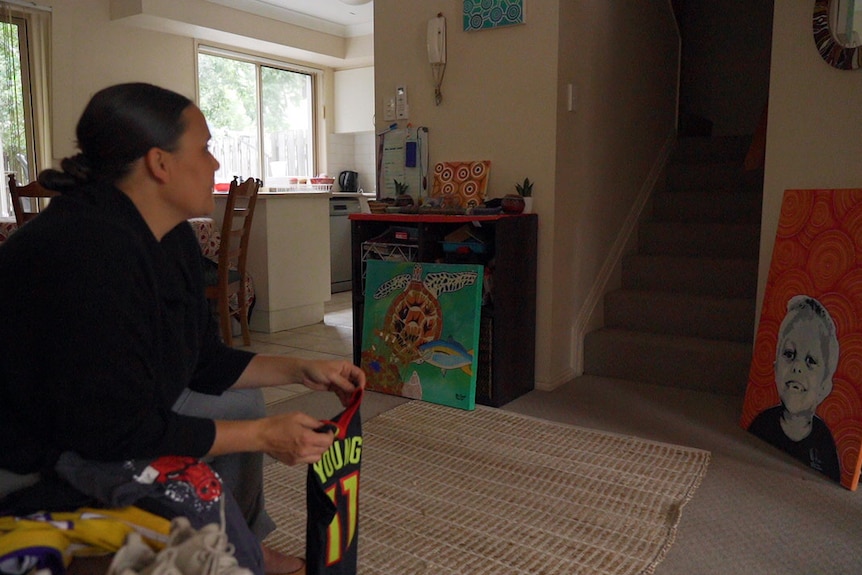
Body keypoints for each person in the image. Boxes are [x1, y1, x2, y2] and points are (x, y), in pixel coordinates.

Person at [0, 82, 365, 573]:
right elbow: (112, 433)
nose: (216, 164)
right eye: (206, 149)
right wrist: (262, 435)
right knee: (211, 459)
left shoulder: (171, 238)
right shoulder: (84, 251)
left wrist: (302, 368)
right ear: (160, 163)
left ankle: (243, 544)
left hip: (112, 414)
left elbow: (203, 361)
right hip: (38, 445)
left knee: (238, 400)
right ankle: (226, 554)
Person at [748, 295, 840, 482]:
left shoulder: (824, 444)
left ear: (824, 387)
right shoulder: (761, 424)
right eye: (789, 354)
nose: (797, 367)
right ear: (775, 368)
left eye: (810, 361)